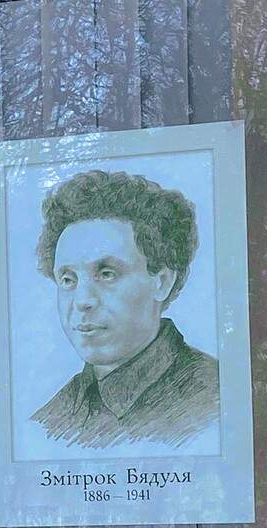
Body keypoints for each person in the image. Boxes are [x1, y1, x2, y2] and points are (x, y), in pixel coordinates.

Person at [31, 170, 219, 449]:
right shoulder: (48, 420)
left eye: (107, 274)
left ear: (162, 282)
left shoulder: (218, 400)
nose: (82, 300)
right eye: (68, 280)